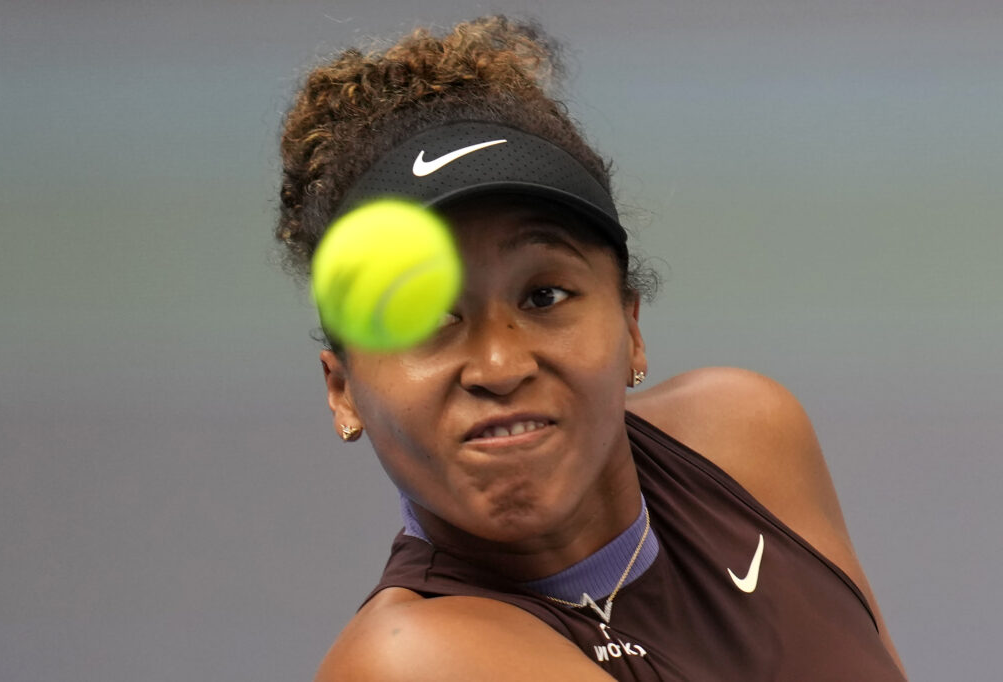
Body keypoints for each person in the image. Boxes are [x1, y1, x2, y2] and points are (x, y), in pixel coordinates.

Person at [276, 16, 907, 681]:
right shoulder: (408, 659)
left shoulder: (747, 436)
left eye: (544, 297)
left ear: (631, 325)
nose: (499, 365)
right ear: (342, 390)